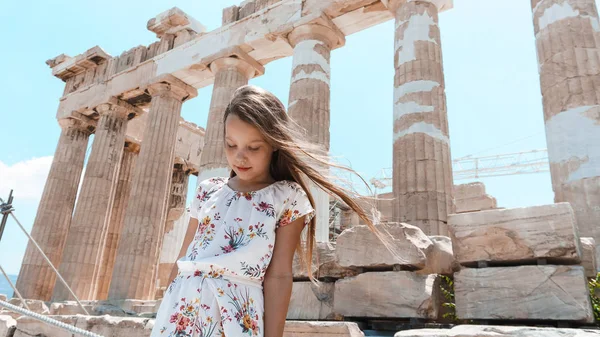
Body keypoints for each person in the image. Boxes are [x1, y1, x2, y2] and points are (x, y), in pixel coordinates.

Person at [151, 85, 383, 337]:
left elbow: (279, 276)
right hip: (180, 309)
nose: (240, 156)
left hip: (235, 314)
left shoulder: (288, 197)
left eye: (253, 147)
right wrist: (163, 311)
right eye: (231, 144)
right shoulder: (207, 189)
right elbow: (183, 257)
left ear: (273, 143)